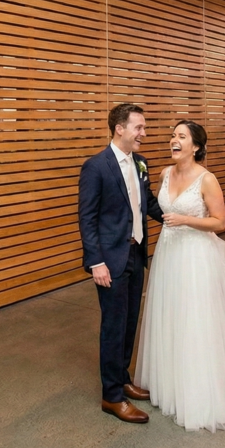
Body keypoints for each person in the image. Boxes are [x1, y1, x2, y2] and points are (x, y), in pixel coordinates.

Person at [136, 120, 225, 431]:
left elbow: (219, 222)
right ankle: (170, 384)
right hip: (169, 253)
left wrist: (185, 219)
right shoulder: (163, 174)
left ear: (195, 146)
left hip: (197, 256)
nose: (173, 139)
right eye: (172, 135)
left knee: (196, 319)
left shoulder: (207, 179)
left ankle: (200, 391)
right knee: (171, 315)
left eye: (181, 136)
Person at [78, 103, 164, 424]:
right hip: (109, 260)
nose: (144, 133)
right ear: (120, 129)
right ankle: (112, 396)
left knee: (130, 322)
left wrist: (175, 216)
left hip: (136, 255)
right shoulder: (96, 167)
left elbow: (148, 203)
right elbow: (87, 219)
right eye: (139, 127)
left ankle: (124, 377)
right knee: (113, 327)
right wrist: (95, 261)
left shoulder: (140, 163)